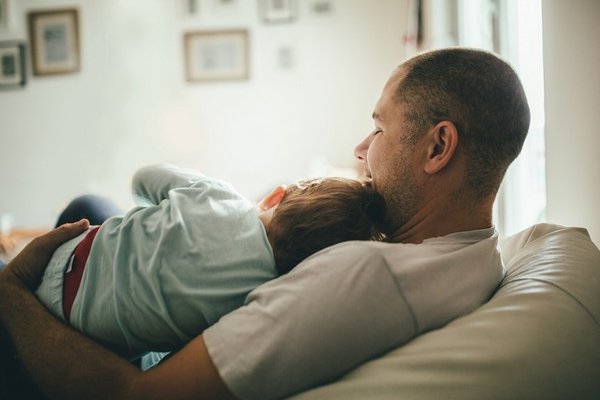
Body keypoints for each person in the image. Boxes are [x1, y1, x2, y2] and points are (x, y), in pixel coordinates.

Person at [0, 47, 530, 400]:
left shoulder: (367, 279)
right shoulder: (477, 257)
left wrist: (13, 289)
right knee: (90, 207)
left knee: (84, 212)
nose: (361, 149)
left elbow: (135, 394)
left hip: (73, 332)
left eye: (379, 127)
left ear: (437, 147)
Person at [35, 163, 385, 358]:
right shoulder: (254, 303)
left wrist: (156, 223)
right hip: (94, 340)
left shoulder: (219, 196)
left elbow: (143, 179)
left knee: (91, 207)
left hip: (59, 267)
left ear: (276, 194)